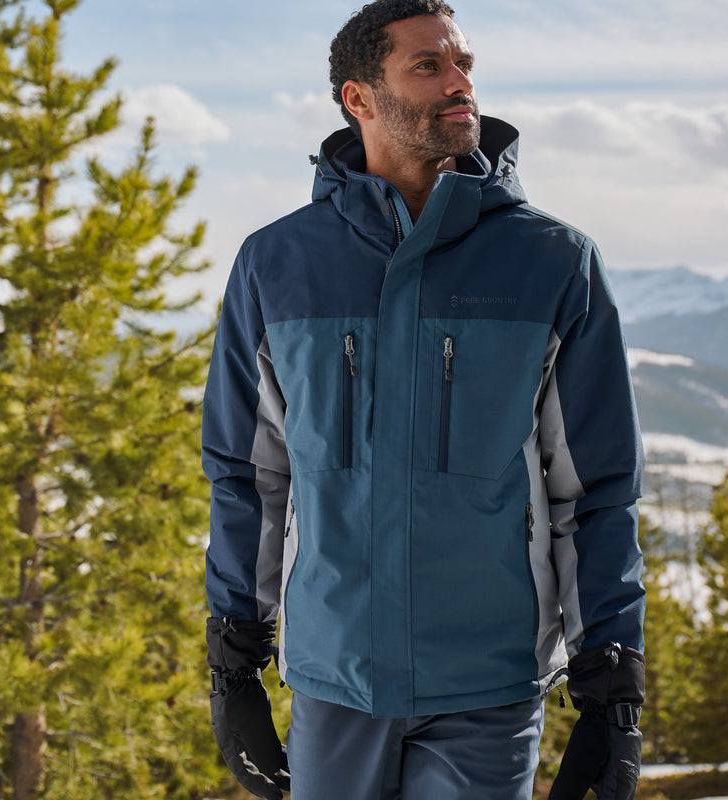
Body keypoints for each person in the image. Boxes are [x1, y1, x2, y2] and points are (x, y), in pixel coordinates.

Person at [202, 1, 646, 799]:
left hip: (489, 689)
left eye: (465, 63)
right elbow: (249, 476)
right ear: (359, 99)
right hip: (334, 685)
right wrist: (234, 662)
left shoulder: (552, 262)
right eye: (428, 66)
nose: (460, 84)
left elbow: (595, 490)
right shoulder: (276, 264)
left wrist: (612, 685)